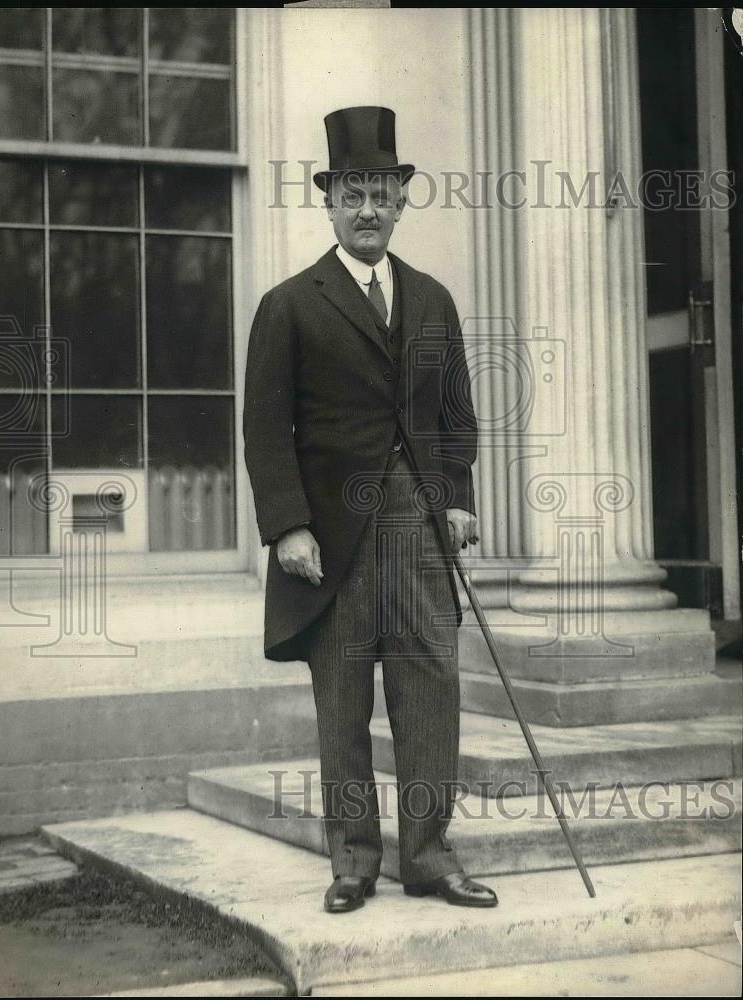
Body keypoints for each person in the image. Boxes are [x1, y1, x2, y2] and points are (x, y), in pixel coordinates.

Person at [243, 106, 498, 913]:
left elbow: (455, 418)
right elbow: (264, 428)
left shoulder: (432, 301)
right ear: (328, 201)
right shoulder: (290, 304)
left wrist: (456, 501)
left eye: (381, 194)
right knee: (344, 702)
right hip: (333, 538)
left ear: (400, 201)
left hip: (419, 529)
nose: (367, 210)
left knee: (430, 692)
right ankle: (352, 862)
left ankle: (427, 856)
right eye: (352, 193)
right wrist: (287, 525)